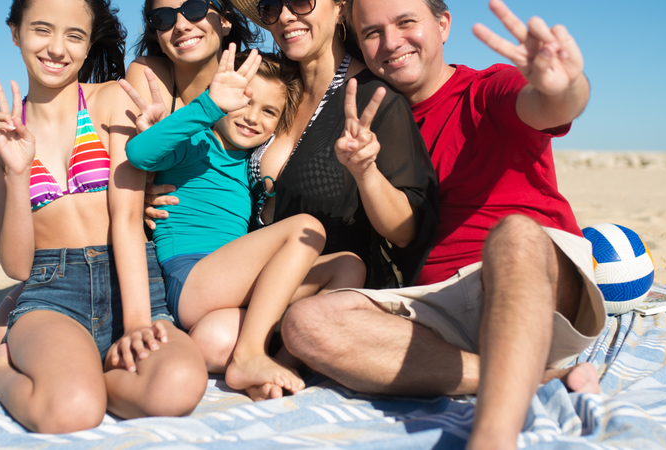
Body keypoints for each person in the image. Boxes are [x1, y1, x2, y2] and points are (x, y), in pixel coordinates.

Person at [280, 0, 606, 448]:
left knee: (512, 234)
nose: (391, 42)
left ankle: (492, 438)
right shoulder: (364, 126)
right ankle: (530, 375)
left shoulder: (486, 89)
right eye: (372, 33)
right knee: (306, 323)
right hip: (435, 311)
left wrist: (565, 85)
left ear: (443, 24)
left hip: (527, 284)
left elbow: (550, 105)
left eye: (406, 22)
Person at [142, 0, 438, 393]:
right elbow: (198, 161)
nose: (284, 16)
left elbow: (406, 232)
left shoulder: (373, 99)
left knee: (219, 337)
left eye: (300, 0)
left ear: (339, 8)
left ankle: (277, 367)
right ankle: (253, 356)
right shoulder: (271, 83)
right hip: (229, 277)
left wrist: (365, 173)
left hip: (300, 296)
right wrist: (150, 184)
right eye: (269, 7)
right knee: (216, 336)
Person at [0, 0, 206, 433]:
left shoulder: (113, 100)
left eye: (74, 35)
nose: (57, 48)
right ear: (14, 32)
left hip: (133, 285)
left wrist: (137, 324)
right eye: (42, 30)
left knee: (178, 386)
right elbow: (17, 265)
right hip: (52, 294)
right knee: (72, 412)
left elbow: (127, 219)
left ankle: (89, 377)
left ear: (87, 43)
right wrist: (18, 174)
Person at [0, 0, 261, 358]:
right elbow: (136, 160)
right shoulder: (149, 76)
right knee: (2, 333)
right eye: (163, 17)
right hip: (153, 255)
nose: (180, 24)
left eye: (193, 7)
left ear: (224, 19)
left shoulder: (261, 78)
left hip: (201, 255)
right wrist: (143, 188)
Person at [125, 46, 366, 396]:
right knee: (307, 230)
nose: (253, 117)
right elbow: (139, 153)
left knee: (348, 266)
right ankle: (251, 355)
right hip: (191, 278)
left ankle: (280, 365)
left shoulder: (250, 165)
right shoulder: (195, 141)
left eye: (269, 111)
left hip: (225, 298)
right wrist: (208, 106)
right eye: (243, 101)